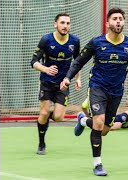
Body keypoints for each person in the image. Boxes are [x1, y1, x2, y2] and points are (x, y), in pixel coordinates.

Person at [60, 7, 128, 176]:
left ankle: (82, 121)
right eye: (114, 19)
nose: (118, 21)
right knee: (98, 121)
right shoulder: (97, 42)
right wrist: (68, 77)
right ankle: (98, 164)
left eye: (120, 19)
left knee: (104, 130)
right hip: (97, 86)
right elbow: (79, 61)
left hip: (116, 91)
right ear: (108, 23)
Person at [30, 13, 81, 155]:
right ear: (55, 24)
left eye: (68, 23)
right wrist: (46, 69)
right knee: (44, 111)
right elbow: (33, 62)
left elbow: (77, 62)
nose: (65, 26)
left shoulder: (74, 41)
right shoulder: (46, 40)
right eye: (62, 23)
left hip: (63, 83)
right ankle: (41, 143)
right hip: (46, 82)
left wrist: (78, 78)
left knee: (59, 117)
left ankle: (43, 119)